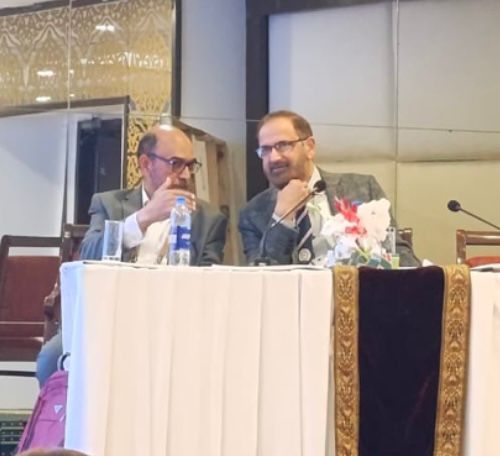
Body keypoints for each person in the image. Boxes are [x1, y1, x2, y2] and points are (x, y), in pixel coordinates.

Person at [36, 125, 227, 387]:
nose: (185, 174)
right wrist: (143, 218)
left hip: (175, 320)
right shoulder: (109, 204)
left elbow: (211, 282)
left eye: (190, 165)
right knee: (51, 357)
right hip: (111, 316)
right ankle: (64, 415)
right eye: (176, 164)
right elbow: (89, 253)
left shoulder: (209, 218)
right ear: (146, 164)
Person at [238, 110, 420, 266]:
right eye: (265, 150)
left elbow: (402, 259)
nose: (273, 158)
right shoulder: (253, 214)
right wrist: (282, 217)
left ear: (309, 147)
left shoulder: (362, 188)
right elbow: (260, 278)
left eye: (283, 145)